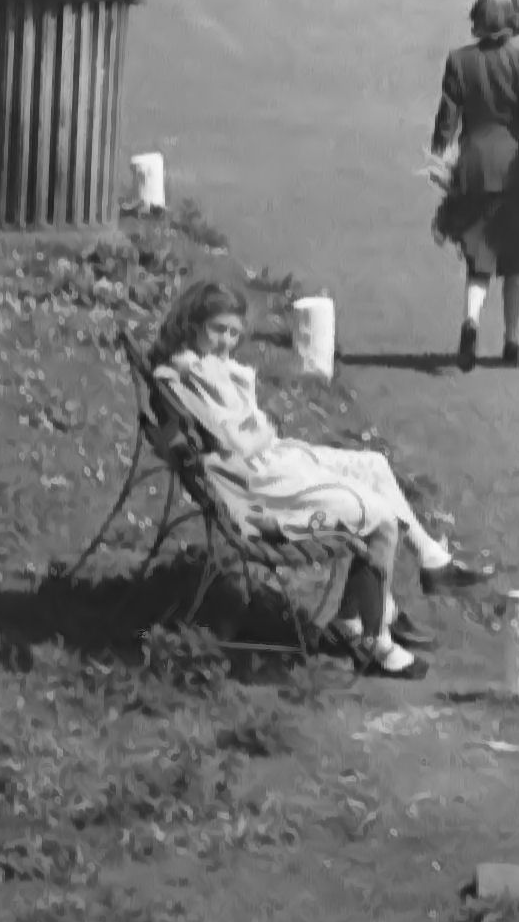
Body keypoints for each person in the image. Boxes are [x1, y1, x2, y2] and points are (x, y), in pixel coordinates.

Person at [146, 280, 481, 674]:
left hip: (266, 464)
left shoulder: (202, 368)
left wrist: (243, 405)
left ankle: (422, 566)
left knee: (372, 465)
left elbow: (246, 430)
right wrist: (240, 402)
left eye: (234, 333)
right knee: (377, 515)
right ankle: (373, 635)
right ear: (193, 322)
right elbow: (236, 436)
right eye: (217, 329)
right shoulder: (188, 375)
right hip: (257, 487)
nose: (226, 342)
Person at [427, 0, 519, 371]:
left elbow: (447, 120)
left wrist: (440, 158)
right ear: (513, 21)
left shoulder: (459, 61)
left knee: (479, 258)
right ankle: (511, 339)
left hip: (474, 165)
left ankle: (470, 321)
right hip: (517, 168)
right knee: (514, 258)